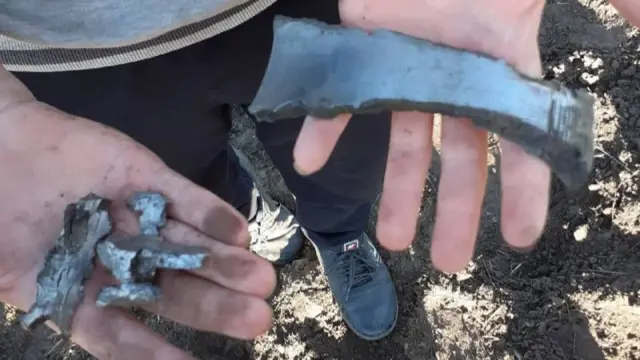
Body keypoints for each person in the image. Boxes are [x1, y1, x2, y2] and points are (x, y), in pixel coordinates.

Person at [0, 0, 637, 359]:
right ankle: (248, 215)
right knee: (172, 190)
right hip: (63, 58)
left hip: (313, 4)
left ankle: (338, 236)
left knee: (341, 158)